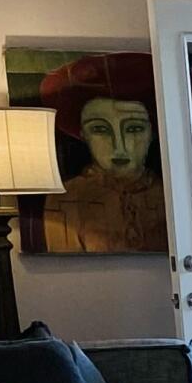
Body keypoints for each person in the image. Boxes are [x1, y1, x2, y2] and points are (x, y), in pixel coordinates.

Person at [30, 52, 167, 253]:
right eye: (100, 129)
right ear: (83, 134)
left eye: (134, 129)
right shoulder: (66, 197)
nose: (119, 145)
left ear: (153, 132)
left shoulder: (171, 196)